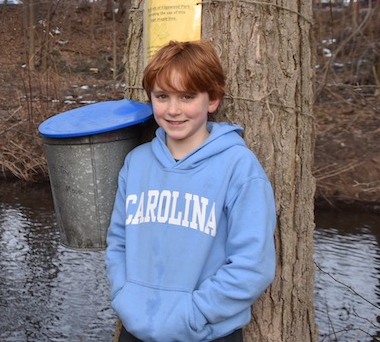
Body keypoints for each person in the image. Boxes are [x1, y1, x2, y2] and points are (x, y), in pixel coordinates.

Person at [105, 40, 276, 342]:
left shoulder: (238, 166)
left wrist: (194, 314)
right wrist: (124, 294)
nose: (173, 110)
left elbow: (253, 265)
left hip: (205, 333)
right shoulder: (137, 163)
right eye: (162, 96)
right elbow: (118, 242)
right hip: (135, 331)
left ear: (212, 100)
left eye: (187, 96)